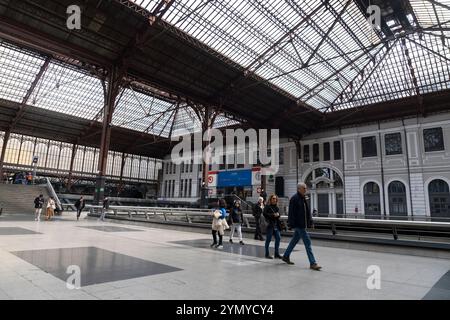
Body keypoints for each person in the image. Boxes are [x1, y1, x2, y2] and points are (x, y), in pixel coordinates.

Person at [282, 183, 322, 271]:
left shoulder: (303, 198)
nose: (306, 189)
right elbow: (291, 213)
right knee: (307, 242)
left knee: (294, 241)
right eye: (304, 188)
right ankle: (313, 263)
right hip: (299, 225)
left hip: (303, 224)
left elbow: (307, 211)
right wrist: (291, 224)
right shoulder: (294, 198)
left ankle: (285, 256)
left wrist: (310, 221)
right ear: (299, 189)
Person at [263, 194, 282, 259]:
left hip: (276, 225)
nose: (274, 200)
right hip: (270, 225)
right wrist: (273, 215)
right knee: (268, 240)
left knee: (278, 238)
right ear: (270, 199)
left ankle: (276, 254)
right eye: (273, 198)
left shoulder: (277, 207)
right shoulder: (267, 206)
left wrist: (278, 215)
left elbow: (279, 214)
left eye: (275, 199)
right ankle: (267, 254)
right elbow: (264, 214)